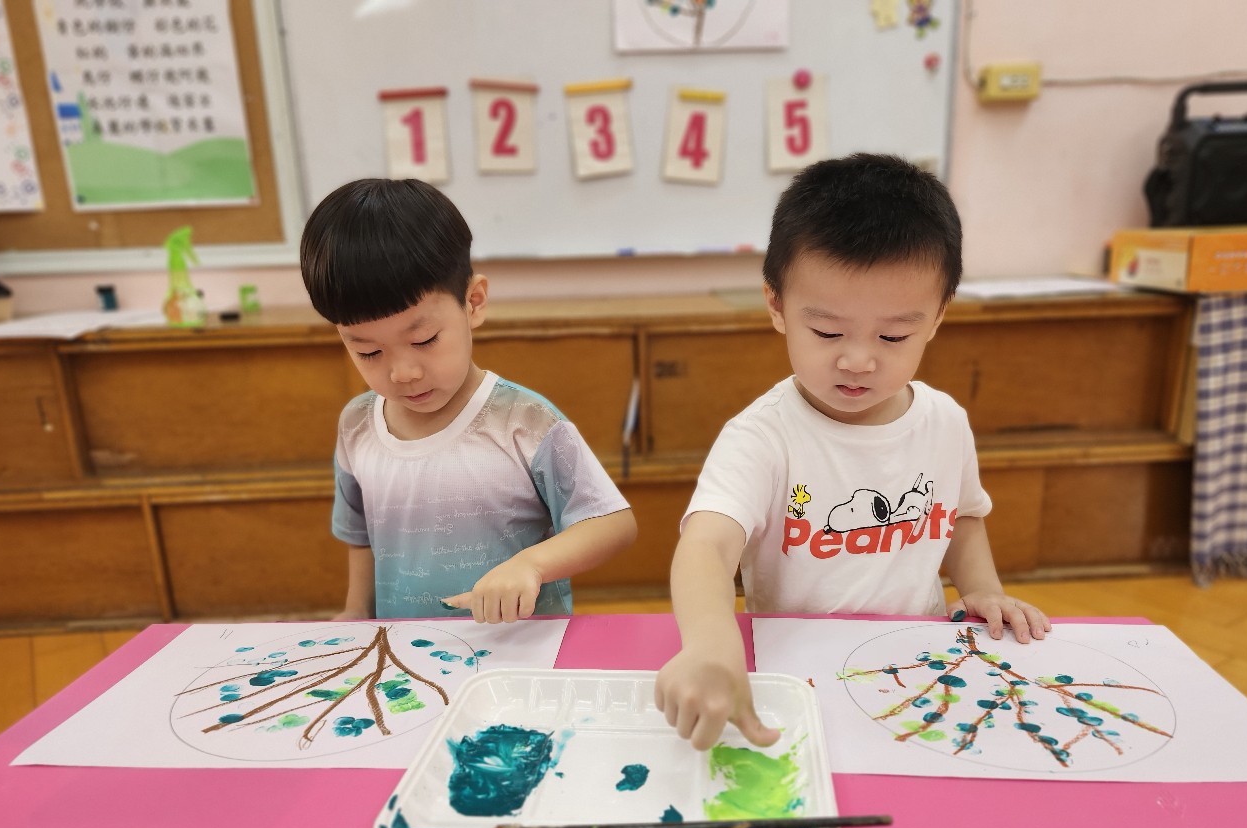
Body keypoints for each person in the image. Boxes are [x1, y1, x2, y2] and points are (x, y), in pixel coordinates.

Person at [655, 153, 1050, 751]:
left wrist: (983, 589)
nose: (858, 360)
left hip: (921, 666)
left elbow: (962, 517)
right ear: (776, 306)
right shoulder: (761, 436)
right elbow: (707, 546)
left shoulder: (945, 422)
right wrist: (711, 646)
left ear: (937, 317)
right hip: (799, 674)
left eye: (893, 336)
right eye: (827, 332)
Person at [300, 178, 637, 623]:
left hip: (517, 648)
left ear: (473, 303)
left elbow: (613, 524)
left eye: (424, 340)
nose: (402, 372)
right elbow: (360, 536)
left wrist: (531, 565)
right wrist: (356, 612)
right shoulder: (356, 424)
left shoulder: (524, 421)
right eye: (368, 352)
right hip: (406, 655)